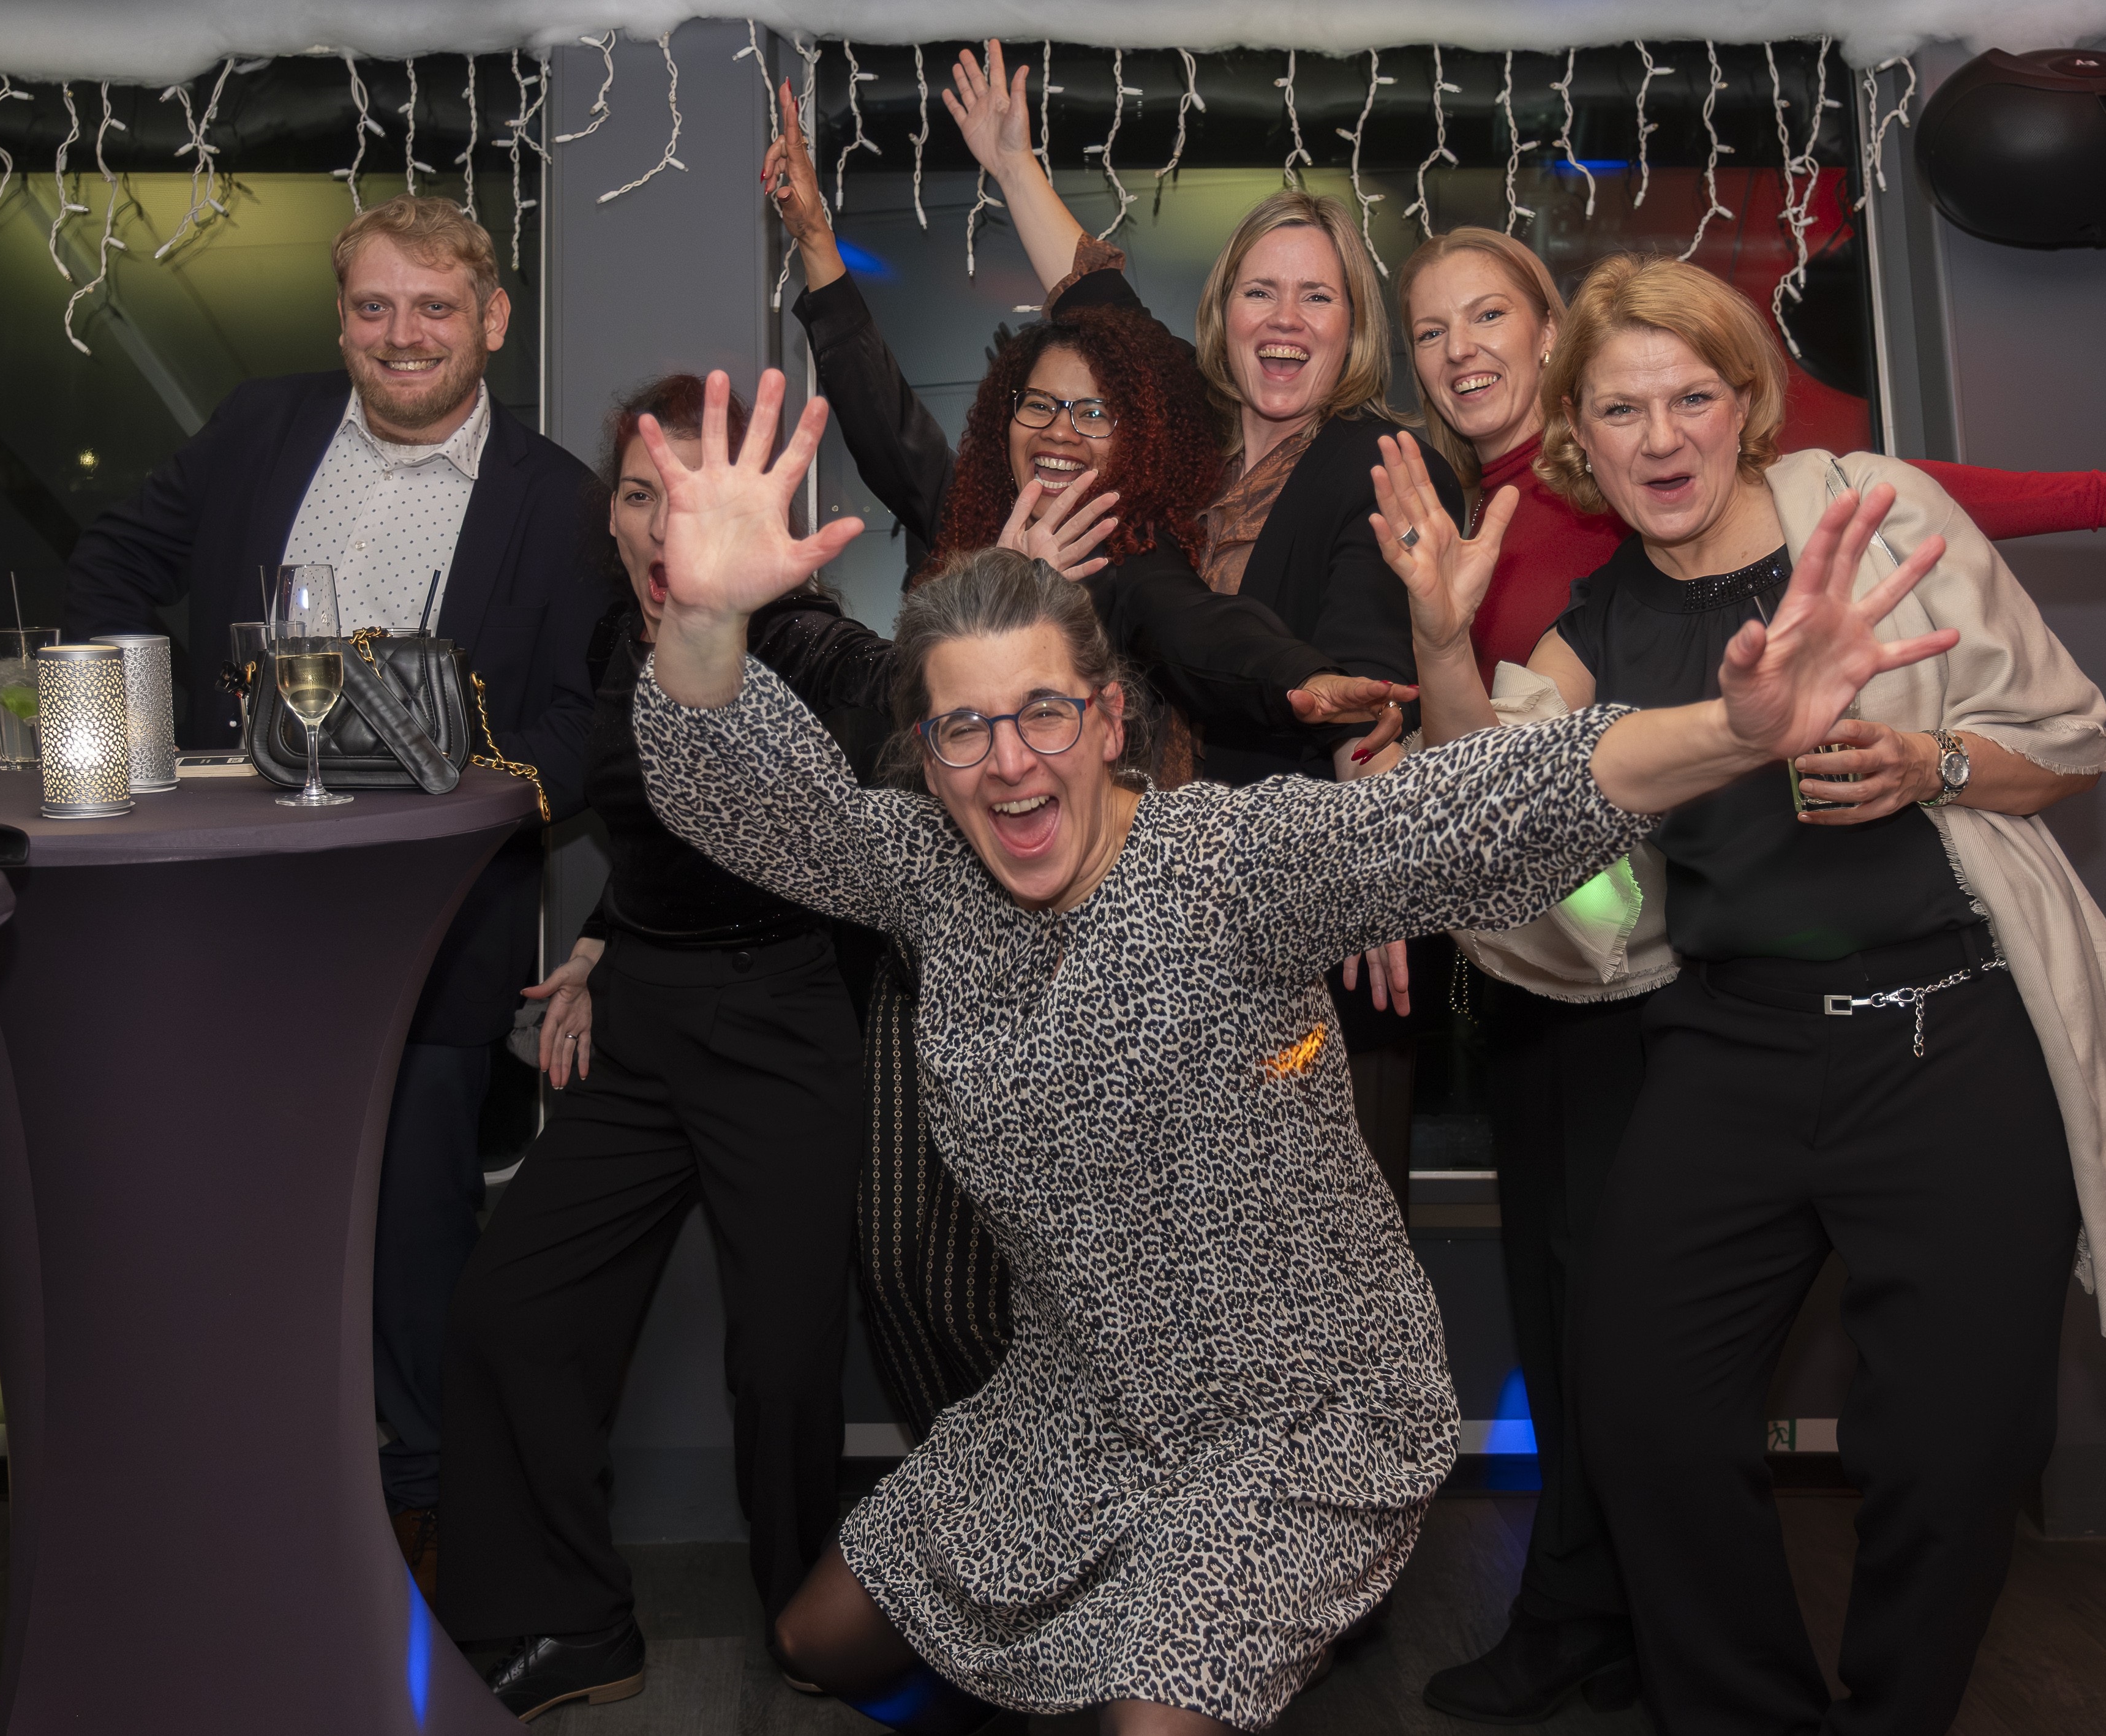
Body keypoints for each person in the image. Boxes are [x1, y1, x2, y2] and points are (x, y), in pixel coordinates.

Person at [629, 361, 1964, 1735]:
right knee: (816, 1641)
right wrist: (705, 621)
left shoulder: (1226, 863)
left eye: (1042, 713)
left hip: (1299, 1413)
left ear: (1106, 718)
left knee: (1150, 1721)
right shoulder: (929, 870)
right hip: (1079, 1404)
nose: (1009, 760)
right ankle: (1119, 1635)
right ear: (927, 751)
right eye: (962, 728)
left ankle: (1194, 1639)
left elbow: (1470, 812)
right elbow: (753, 805)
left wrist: (1730, 730)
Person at [1389, 225, 2106, 1722]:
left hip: (1955, 1044)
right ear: (1578, 442)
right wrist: (1441, 646)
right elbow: (1478, 820)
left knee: (1956, 1451)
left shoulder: (1878, 516)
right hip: (1727, 1051)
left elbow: (2065, 746)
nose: (1658, 436)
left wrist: (1926, 760)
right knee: (1643, 1411)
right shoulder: (1596, 630)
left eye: (1687, 397)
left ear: (1741, 402)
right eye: (1619, 409)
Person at [764, 86, 1418, 1441]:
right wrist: (829, 256)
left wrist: (1310, 690)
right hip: (944, 949)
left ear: (1138, 440)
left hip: (1128, 954)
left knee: (1106, 1264)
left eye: (1092, 414)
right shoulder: (965, 512)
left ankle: (1107, 1475)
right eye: (1038, 408)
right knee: (910, 1251)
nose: (1061, 432)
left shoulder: (1139, 545)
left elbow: (1207, 628)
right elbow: (888, 418)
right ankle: (1001, 1466)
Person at [60, 195, 600, 1590]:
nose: (402, 334)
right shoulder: (261, 425)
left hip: (434, 925)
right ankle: (244, 1516)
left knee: (414, 1242)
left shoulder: (558, 500)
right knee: (232, 1220)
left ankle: (425, 1532)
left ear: (492, 319)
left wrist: (477, 797)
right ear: (341, 320)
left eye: (434, 307)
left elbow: (590, 718)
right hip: (234, 916)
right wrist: (147, 755)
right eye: (374, 306)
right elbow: (113, 561)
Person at [435, 377, 895, 1718]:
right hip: (643, 1017)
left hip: (784, 1014)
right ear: (613, 512)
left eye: (689, 492)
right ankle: (568, 1624)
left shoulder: (798, 638)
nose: (661, 520)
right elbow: (653, 836)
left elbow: (888, 696)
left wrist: (985, 636)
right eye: (641, 492)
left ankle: (808, 1623)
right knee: (512, 1306)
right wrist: (600, 944)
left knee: (783, 1362)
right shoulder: (609, 640)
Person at [946, 41, 1460, 1194]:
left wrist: (1375, 866)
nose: (1287, 318)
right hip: (1153, 925)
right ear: (1225, 313)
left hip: (1305, 925)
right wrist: (1014, 164)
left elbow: (1367, 686)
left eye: (1318, 296)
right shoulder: (1187, 434)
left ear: (1353, 326)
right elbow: (1099, 303)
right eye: (1261, 291)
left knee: (1315, 1252)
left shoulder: (1379, 459)